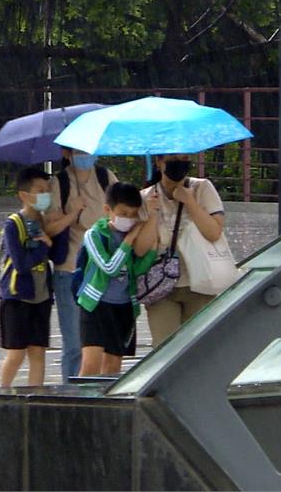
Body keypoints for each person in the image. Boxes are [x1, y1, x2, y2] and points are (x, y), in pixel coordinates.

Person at [42, 147, 118, 382]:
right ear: (67, 153)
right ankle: (72, 397)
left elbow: (123, 216)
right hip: (70, 271)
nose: (85, 155)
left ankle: (100, 396)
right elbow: (49, 229)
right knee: (75, 344)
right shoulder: (59, 183)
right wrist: (72, 212)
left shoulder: (107, 178)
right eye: (78, 150)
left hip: (104, 272)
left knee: (106, 344)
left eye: (89, 149)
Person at [141, 154, 226, 347]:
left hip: (200, 281)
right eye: (173, 158)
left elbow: (214, 232)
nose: (179, 163)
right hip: (160, 285)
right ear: (159, 162)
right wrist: (151, 214)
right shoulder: (146, 197)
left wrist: (190, 202)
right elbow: (140, 249)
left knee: (200, 347)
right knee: (163, 348)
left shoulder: (202, 188)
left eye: (185, 158)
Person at [76, 182, 159, 376]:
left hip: (123, 307)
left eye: (133, 214)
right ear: (108, 209)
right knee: (90, 365)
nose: (128, 219)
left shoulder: (128, 235)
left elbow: (136, 270)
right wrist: (129, 241)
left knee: (113, 366)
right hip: (96, 305)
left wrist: (152, 250)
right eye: (123, 213)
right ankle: (84, 403)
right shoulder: (95, 235)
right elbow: (109, 268)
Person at [0, 168, 68, 387]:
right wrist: (42, 247)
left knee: (38, 352)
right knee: (16, 354)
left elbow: (58, 255)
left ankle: (35, 396)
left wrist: (60, 227)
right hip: (18, 297)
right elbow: (22, 264)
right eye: (40, 191)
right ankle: (1, 391)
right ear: (24, 195)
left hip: (41, 296)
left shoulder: (44, 221)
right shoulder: (13, 224)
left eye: (47, 191)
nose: (45, 195)